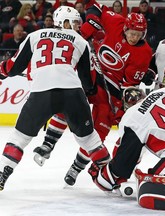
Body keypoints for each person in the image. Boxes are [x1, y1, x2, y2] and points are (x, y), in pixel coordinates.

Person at [32, 1, 153, 186]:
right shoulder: (116, 22)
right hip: (90, 69)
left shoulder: (143, 53)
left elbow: (128, 86)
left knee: (101, 126)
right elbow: (95, 6)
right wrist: (90, 24)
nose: (134, 37)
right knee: (68, 98)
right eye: (131, 32)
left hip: (111, 90)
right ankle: (48, 143)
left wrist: (122, 103)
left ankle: (77, 166)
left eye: (138, 34)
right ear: (125, 28)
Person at [0, 6, 110, 191]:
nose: (76, 26)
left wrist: (2, 71)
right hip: (73, 93)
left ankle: (2, 174)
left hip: (42, 92)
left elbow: (14, 67)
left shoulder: (35, 35)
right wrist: (89, 94)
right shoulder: (80, 41)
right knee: (90, 141)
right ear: (64, 22)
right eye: (74, 22)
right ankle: (111, 175)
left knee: (19, 138)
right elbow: (88, 82)